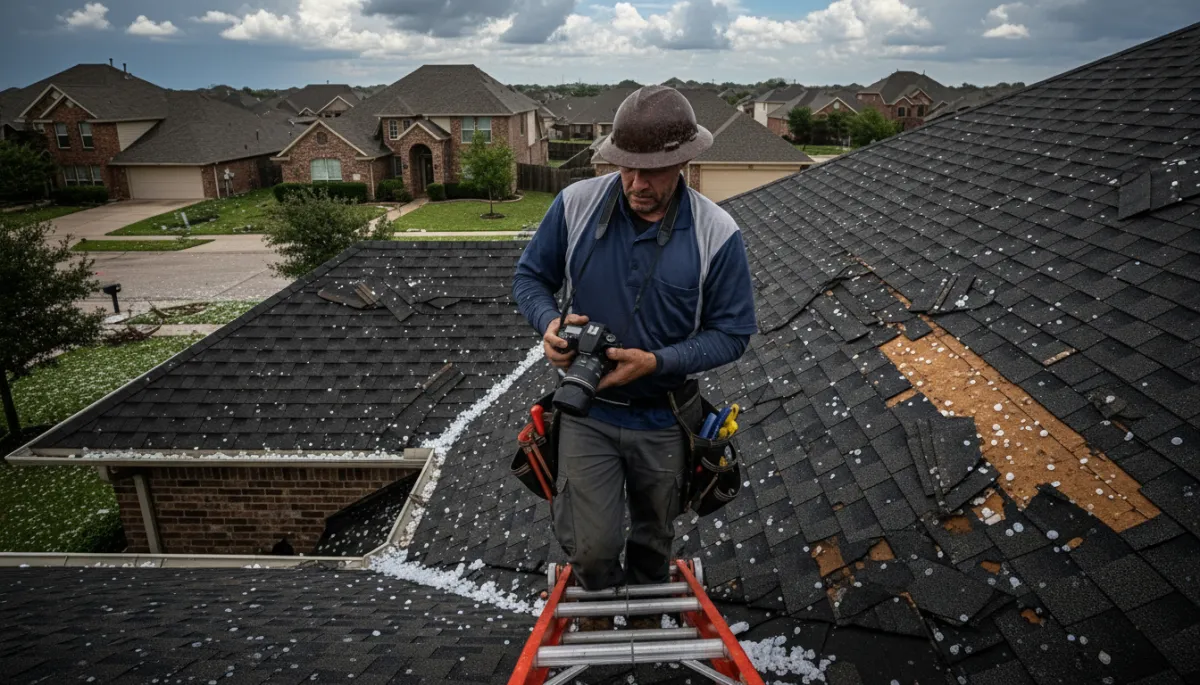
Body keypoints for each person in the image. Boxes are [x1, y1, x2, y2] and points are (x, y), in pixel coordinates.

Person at [512, 86, 757, 608]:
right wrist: (548, 324)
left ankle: (646, 611)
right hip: (585, 409)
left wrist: (657, 361)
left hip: (665, 415)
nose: (636, 183)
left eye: (652, 172)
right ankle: (598, 602)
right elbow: (530, 278)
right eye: (626, 167)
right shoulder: (576, 205)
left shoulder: (717, 233)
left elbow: (733, 333)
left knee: (654, 539)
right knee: (594, 547)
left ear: (685, 162)